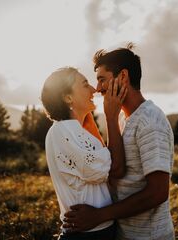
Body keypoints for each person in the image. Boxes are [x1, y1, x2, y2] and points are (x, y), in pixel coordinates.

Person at [64, 44, 175, 239]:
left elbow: (158, 192)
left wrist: (99, 216)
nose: (98, 89)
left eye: (102, 79)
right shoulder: (122, 118)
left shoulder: (150, 120)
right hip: (124, 234)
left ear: (123, 76)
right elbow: (114, 168)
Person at [41, 67, 127, 240]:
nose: (94, 90)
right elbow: (105, 170)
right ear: (68, 98)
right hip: (85, 235)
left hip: (100, 231)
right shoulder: (61, 131)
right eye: (85, 84)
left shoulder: (79, 132)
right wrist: (111, 117)